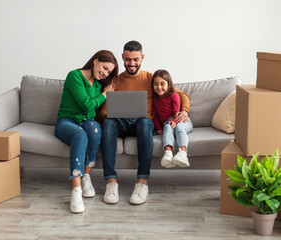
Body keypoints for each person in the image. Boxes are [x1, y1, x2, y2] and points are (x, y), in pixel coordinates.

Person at [97, 41, 190, 205]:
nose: (131, 63)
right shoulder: (115, 80)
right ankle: (111, 182)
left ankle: (142, 182)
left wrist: (185, 111)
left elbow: (180, 94)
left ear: (142, 58)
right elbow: (103, 109)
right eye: (128, 59)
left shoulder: (151, 78)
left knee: (145, 123)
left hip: (142, 122)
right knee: (108, 124)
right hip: (120, 123)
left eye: (135, 59)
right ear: (122, 58)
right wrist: (109, 114)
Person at [55, 50, 118, 213]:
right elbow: (86, 105)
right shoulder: (74, 76)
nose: (105, 73)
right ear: (95, 61)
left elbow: (91, 112)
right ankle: (76, 190)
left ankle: (86, 176)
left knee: (96, 128)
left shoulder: (98, 84)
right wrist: (104, 95)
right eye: (104, 67)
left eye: (108, 72)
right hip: (66, 122)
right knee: (80, 134)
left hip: (86, 122)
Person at [152, 69, 193, 168]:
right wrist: (159, 128)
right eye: (156, 84)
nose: (159, 87)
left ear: (169, 85)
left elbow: (176, 111)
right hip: (168, 123)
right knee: (167, 127)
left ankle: (183, 153)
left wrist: (174, 121)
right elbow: (155, 117)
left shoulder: (174, 96)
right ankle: (168, 153)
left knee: (178, 127)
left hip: (181, 120)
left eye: (162, 84)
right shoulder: (154, 100)